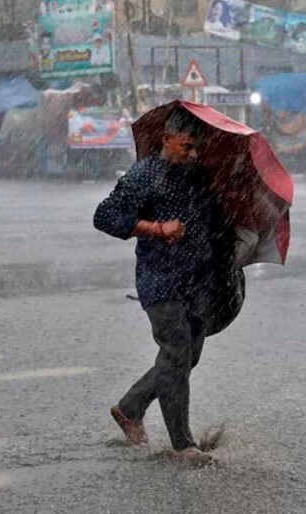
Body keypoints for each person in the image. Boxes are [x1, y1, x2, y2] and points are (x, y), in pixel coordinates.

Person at [93, 107, 245, 465]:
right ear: (166, 140)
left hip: (196, 281)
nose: (193, 155)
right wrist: (158, 228)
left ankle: (131, 407)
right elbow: (105, 217)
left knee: (188, 355)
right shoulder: (145, 175)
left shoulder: (197, 175)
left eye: (198, 149)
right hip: (160, 281)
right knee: (176, 351)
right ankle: (182, 444)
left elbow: (211, 222)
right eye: (186, 147)